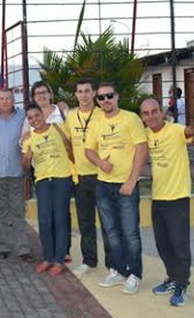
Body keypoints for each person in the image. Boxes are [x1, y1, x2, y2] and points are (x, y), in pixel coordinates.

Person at [139, 98, 194, 307]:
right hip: (158, 197)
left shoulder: (175, 130)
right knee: (163, 244)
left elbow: (192, 130)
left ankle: (182, 284)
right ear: (142, 117)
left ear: (162, 112)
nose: (151, 116)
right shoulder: (145, 134)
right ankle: (172, 278)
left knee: (179, 244)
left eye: (155, 111)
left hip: (178, 197)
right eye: (146, 113)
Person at [85, 83, 148, 295]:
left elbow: (141, 149)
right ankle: (118, 270)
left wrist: (132, 180)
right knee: (111, 232)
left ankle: (135, 274)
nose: (105, 101)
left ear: (117, 96)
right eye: (101, 98)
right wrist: (100, 164)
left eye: (109, 96)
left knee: (130, 232)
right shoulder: (95, 122)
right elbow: (88, 150)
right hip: (103, 184)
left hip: (126, 184)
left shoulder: (131, 119)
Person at [63, 78, 112, 276]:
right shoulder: (71, 116)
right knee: (85, 221)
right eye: (80, 91)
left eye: (87, 91)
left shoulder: (103, 114)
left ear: (94, 93)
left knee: (108, 221)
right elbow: (67, 142)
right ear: (75, 95)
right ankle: (89, 260)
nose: (83, 95)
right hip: (81, 177)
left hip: (102, 175)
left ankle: (113, 264)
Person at [22, 103, 74, 276]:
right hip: (43, 180)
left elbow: (71, 147)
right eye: (30, 118)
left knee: (60, 219)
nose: (35, 119)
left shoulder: (58, 128)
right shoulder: (28, 138)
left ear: (42, 115)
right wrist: (27, 158)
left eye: (37, 115)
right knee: (44, 221)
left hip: (62, 178)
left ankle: (59, 260)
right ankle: (48, 258)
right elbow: (25, 165)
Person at [0, 88, 31, 262]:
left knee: (18, 211)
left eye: (8, 98)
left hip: (16, 171)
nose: (4, 101)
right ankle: (2, 245)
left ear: (13, 100)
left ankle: (22, 248)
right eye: (1, 98)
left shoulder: (23, 116)